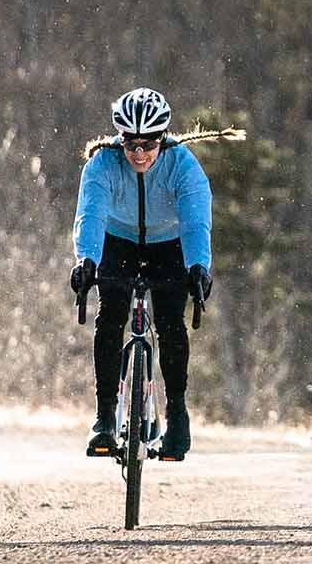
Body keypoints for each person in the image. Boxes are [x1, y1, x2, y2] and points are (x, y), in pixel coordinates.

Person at [70, 87, 213, 461]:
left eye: (148, 145)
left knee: (170, 324)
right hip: (118, 242)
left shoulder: (183, 166)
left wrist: (199, 266)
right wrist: (86, 260)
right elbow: (91, 215)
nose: (138, 154)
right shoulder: (102, 164)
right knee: (110, 317)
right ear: (120, 139)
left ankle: (177, 414)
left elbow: (196, 221)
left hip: (169, 246)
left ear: (162, 139)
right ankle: (104, 417)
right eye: (131, 144)